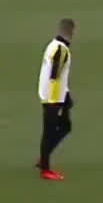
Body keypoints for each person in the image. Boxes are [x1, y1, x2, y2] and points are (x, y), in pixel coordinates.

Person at [38, 18, 75, 181]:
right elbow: (55, 76)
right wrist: (56, 102)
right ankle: (45, 168)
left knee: (65, 126)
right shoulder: (61, 50)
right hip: (52, 98)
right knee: (49, 132)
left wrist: (66, 96)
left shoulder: (53, 45)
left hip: (53, 95)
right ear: (71, 32)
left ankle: (44, 157)